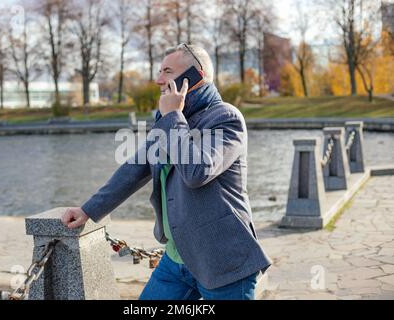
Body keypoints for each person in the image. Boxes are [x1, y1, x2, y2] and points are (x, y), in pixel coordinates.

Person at [61, 43, 271, 300]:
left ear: (196, 76)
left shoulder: (226, 118)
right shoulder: (169, 122)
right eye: (159, 71)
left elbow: (197, 171)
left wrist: (172, 115)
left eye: (168, 71)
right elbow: (134, 169)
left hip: (223, 261)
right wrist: (87, 210)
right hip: (176, 259)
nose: (159, 79)